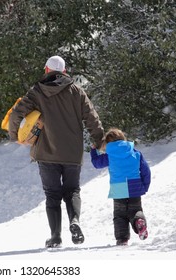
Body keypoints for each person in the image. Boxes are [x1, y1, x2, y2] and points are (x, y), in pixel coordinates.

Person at [8, 55, 104, 248]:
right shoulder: (77, 91)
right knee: (72, 191)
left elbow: (17, 112)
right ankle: (74, 221)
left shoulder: (37, 91)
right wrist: (100, 141)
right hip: (72, 152)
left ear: (46, 70)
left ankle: (55, 237)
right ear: (65, 71)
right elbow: (92, 118)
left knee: (52, 195)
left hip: (46, 152)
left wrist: (14, 135)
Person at [90, 128, 151, 246]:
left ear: (108, 143)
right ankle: (139, 222)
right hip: (135, 188)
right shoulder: (136, 153)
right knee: (136, 210)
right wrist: (145, 186)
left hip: (118, 189)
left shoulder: (110, 155)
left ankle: (122, 239)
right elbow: (146, 171)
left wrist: (93, 150)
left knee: (120, 215)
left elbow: (97, 163)